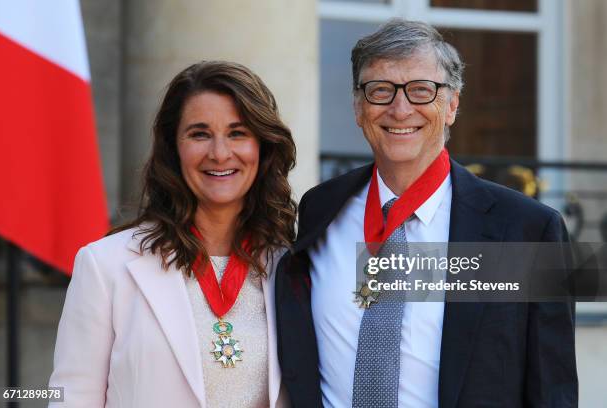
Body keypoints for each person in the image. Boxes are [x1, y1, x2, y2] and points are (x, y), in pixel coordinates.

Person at [275, 19, 577, 407]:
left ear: (451, 105)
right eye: (380, 90)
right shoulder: (321, 208)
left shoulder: (527, 231)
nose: (400, 110)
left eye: (421, 90)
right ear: (358, 106)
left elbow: (553, 391)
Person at [49, 61, 296, 408]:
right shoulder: (105, 266)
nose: (220, 153)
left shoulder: (291, 265)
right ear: (173, 147)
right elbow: (71, 399)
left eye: (237, 133)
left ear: (263, 146)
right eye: (199, 133)